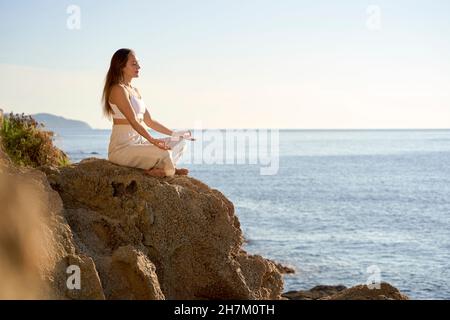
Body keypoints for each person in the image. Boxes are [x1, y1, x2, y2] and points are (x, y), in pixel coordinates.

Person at [102, 48, 193, 177]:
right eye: (134, 64)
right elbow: (133, 121)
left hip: (139, 144)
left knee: (180, 141)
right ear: (121, 66)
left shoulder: (135, 91)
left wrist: (175, 133)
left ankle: (163, 168)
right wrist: (152, 140)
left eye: (138, 63)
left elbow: (149, 121)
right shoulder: (118, 89)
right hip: (122, 149)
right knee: (164, 152)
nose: (139, 66)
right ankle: (168, 170)